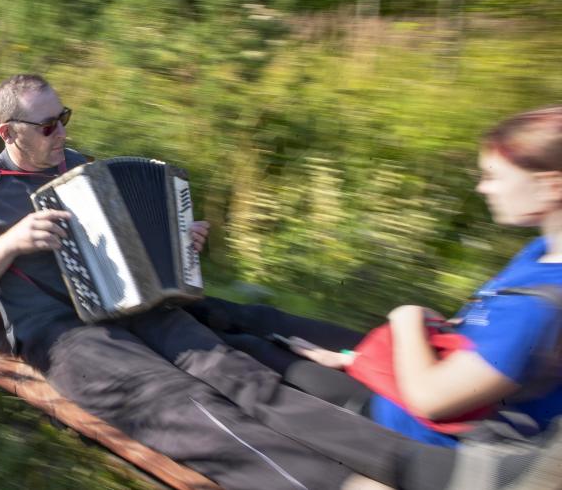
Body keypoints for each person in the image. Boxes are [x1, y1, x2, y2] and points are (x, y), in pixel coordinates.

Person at [0, 75, 562, 490]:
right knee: (181, 403)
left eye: (63, 117)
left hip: (127, 306)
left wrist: (178, 244)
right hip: (63, 334)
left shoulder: (80, 167)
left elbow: (125, 250)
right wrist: (9, 244)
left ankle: (436, 470)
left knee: (240, 373)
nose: (62, 133)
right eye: (47, 127)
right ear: (8, 133)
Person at [187, 105, 562, 452]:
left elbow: (429, 399)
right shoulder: (538, 256)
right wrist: (357, 359)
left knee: (231, 352)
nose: (483, 187)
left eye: (494, 176)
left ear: (551, 185)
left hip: (407, 431)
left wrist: (408, 318)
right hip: (403, 384)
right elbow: (465, 345)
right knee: (259, 320)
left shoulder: (541, 306)